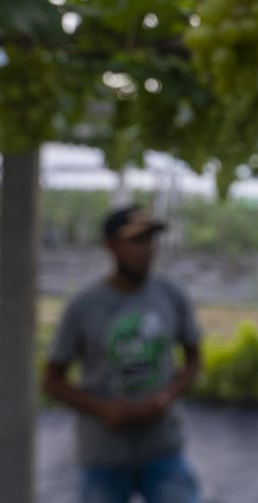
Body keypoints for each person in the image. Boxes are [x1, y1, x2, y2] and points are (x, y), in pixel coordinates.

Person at [42, 205, 202, 503]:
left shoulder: (170, 295)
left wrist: (166, 396)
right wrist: (103, 409)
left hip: (162, 448)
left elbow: (194, 361)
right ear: (110, 246)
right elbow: (52, 381)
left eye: (150, 241)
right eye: (136, 242)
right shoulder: (84, 306)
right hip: (104, 455)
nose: (146, 250)